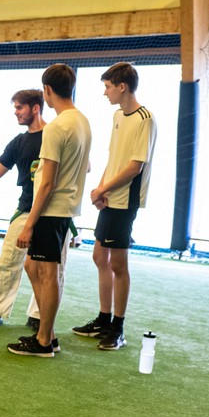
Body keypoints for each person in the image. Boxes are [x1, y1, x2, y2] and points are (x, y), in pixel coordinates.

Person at [0, 89, 65, 329]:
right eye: (15, 108)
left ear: (35, 108)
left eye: (19, 107)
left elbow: (84, 166)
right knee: (8, 261)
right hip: (25, 208)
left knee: (51, 270)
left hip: (55, 211)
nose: (15, 113)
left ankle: (39, 316)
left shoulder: (56, 134)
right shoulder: (19, 142)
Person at [8, 64, 92, 358]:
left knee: (47, 273)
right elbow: (86, 166)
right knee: (33, 267)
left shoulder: (56, 127)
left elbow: (46, 182)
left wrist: (29, 223)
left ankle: (44, 340)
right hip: (64, 207)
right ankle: (49, 333)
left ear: (47, 90)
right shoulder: (82, 121)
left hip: (51, 209)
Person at [71, 62, 156, 351]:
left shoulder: (145, 119)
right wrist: (99, 190)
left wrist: (103, 189)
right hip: (109, 198)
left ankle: (117, 328)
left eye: (108, 87)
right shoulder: (118, 114)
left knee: (118, 264)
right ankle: (103, 319)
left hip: (125, 201)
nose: (105, 92)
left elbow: (134, 166)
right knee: (100, 257)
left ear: (122, 86)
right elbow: (113, 157)